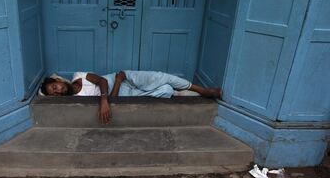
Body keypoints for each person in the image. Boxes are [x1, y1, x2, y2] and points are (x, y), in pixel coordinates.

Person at [40, 71, 221, 124]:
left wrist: (104, 100)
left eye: (55, 86)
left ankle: (203, 91)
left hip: (121, 77)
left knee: (160, 77)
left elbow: (102, 80)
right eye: (54, 93)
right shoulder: (74, 102)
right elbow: (115, 100)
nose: (58, 91)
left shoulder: (79, 75)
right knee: (164, 91)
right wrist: (113, 91)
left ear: (58, 80)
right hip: (119, 91)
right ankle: (185, 92)